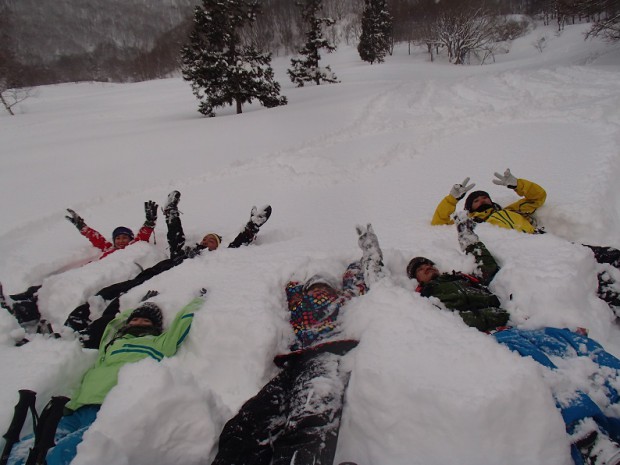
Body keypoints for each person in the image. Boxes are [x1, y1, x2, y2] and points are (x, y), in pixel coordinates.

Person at [407, 213, 620, 465]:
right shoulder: (425, 298)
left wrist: (468, 237)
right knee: (544, 370)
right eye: (421, 270)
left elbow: (487, 266)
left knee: (577, 347)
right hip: (494, 336)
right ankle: (589, 439)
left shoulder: (465, 278)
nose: (427, 268)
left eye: (428, 264)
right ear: (416, 280)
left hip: (516, 326)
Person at [209, 224, 385, 465]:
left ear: (334, 289)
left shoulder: (343, 300)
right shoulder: (299, 305)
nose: (319, 289)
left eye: (324, 285)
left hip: (326, 357)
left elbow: (355, 280)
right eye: (314, 286)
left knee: (311, 417)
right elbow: (289, 285)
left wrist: (366, 254)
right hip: (293, 364)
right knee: (249, 422)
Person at [1, 190, 271, 340]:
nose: (209, 242)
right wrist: (171, 215)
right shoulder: (189, 249)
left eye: (213, 241)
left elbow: (237, 246)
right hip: (163, 270)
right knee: (119, 289)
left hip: (175, 281)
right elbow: (175, 236)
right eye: (207, 239)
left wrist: (251, 227)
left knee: (126, 299)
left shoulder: (221, 256)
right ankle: (63, 316)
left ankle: (85, 331)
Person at [6, 292, 205, 465]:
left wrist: (196, 300)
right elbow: (112, 325)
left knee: (66, 450)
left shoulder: (159, 343)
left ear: (155, 326)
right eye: (135, 320)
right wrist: (136, 307)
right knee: (29, 445)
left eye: (146, 320)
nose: (139, 323)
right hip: (78, 407)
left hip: (106, 409)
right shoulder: (112, 344)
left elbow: (181, 325)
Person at [431, 169, 620, 312]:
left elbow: (538, 197)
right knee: (589, 275)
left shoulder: (513, 210)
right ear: (470, 208)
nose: (482, 201)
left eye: (484, 197)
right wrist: (451, 199)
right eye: (476, 200)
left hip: (549, 242)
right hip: (529, 254)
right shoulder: (473, 222)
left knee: (609, 255)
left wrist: (516, 184)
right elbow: (439, 222)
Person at [65, 200, 158, 260]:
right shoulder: (108, 248)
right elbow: (96, 238)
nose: (121, 240)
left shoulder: (133, 246)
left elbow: (143, 236)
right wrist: (82, 227)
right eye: (118, 238)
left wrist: (149, 222)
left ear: (131, 239)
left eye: (125, 237)